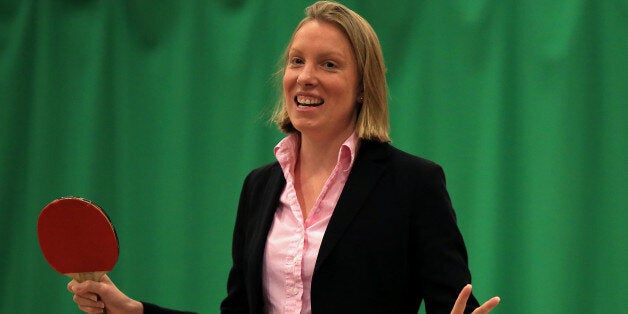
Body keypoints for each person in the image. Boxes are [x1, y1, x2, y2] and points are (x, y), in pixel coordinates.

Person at [67, 1, 500, 313]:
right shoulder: (259, 187)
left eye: (329, 65)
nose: (306, 77)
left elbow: (456, 304)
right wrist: (131, 311)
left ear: (363, 86)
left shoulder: (413, 184)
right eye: (297, 61)